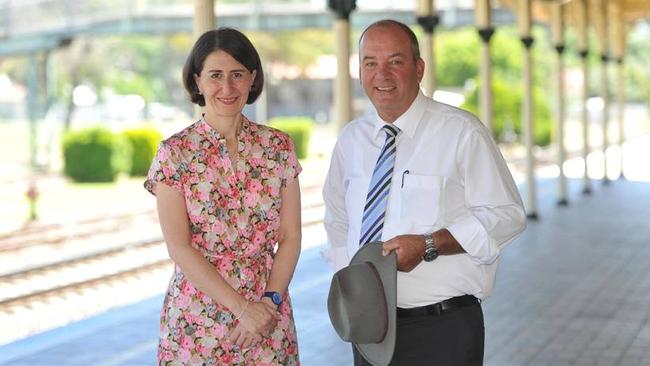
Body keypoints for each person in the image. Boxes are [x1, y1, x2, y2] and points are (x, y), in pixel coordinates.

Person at [322, 19, 527, 365]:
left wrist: (429, 244)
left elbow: (507, 215)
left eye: (395, 61)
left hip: (442, 328)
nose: (382, 74)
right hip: (371, 330)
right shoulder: (351, 140)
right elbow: (338, 220)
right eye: (370, 63)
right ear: (360, 72)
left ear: (419, 68)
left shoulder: (461, 132)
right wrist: (357, 288)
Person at [144, 27, 302, 365]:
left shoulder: (279, 147)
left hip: (268, 314)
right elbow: (179, 247)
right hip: (198, 320)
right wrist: (243, 309)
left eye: (237, 75)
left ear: (253, 79)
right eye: (215, 75)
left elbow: (290, 236)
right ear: (198, 81)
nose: (227, 88)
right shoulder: (175, 153)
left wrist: (268, 303)